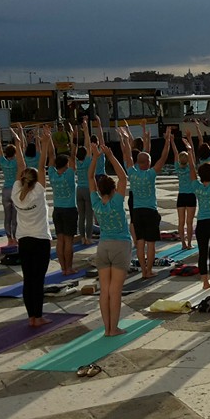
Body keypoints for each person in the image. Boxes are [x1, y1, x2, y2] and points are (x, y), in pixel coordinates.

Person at [88, 129, 132, 337]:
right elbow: (123, 176)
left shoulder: (96, 203)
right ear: (113, 190)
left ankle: (107, 328)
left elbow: (89, 177)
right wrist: (110, 155)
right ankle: (113, 328)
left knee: (104, 290)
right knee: (115, 291)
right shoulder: (116, 201)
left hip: (103, 247)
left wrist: (95, 158)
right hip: (120, 246)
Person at [12, 126, 53, 327]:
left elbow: (21, 165)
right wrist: (44, 144)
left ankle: (31, 317)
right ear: (35, 181)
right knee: (39, 280)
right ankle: (39, 316)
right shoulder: (38, 192)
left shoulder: (16, 193)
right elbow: (42, 165)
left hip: (24, 240)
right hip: (40, 240)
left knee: (28, 280)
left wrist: (19, 144)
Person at [121, 124, 172, 278]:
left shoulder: (132, 172)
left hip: (137, 212)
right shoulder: (151, 174)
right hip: (150, 211)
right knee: (151, 244)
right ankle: (148, 271)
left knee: (140, 243)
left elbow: (127, 155)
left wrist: (125, 140)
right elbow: (163, 157)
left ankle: (143, 271)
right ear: (148, 162)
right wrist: (167, 140)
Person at [185, 129, 210, 290]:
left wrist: (189, 152)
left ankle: (205, 282)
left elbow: (192, 170)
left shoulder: (197, 187)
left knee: (203, 253)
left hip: (202, 223)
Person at [46, 129, 78, 275]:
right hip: (70, 210)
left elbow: (51, 155)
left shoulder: (52, 174)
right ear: (66, 164)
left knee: (60, 240)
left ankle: (63, 268)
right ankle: (69, 268)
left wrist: (49, 139)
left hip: (57, 209)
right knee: (69, 241)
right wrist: (73, 139)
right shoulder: (69, 174)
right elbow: (73, 156)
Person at [0, 125, 19, 245]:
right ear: (15, 153)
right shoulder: (16, 162)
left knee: (7, 216)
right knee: (15, 217)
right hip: (15, 190)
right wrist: (16, 134)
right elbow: (21, 147)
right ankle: (15, 237)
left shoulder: (2, 161)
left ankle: (9, 238)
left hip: (5, 190)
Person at [171, 134, 196, 250]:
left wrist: (172, 141)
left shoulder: (177, 167)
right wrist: (189, 144)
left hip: (181, 196)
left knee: (181, 222)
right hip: (190, 195)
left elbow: (175, 153)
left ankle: (183, 244)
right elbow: (192, 155)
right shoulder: (191, 168)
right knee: (189, 222)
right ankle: (189, 243)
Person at [75, 118, 95, 246]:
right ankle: (89, 237)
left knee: (81, 216)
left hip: (79, 189)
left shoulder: (77, 162)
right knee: (89, 216)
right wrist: (86, 130)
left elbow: (79, 147)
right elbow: (88, 144)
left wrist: (77, 133)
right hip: (88, 189)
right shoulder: (88, 161)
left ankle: (82, 237)